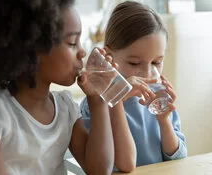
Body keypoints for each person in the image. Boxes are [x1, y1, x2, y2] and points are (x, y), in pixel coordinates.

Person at [0, 0, 115, 174]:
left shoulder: (65, 108)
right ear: (31, 49)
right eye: (72, 43)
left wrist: (98, 99)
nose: (82, 52)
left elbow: (100, 170)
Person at [80, 1, 187, 169]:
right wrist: (117, 96)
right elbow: (119, 165)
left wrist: (164, 121)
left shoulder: (158, 99)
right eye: (134, 63)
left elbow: (178, 158)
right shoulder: (95, 104)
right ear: (109, 56)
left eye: (156, 62)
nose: (148, 73)